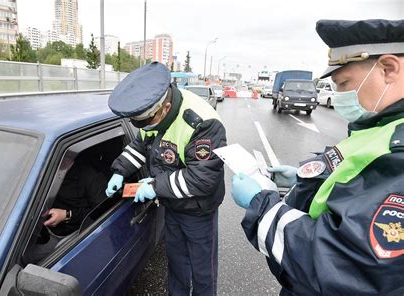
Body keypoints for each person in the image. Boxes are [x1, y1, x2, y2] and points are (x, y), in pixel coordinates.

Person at [230, 19, 404, 295]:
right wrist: (303, 180)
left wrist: (260, 203)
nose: (338, 96)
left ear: (388, 69)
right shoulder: (381, 126)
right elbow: (350, 176)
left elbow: (341, 266)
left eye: (344, 83)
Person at [105, 62, 227, 295]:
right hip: (172, 206)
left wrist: (154, 186)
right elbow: (139, 146)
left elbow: (201, 179)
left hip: (199, 211)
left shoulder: (203, 122)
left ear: (165, 107)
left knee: (203, 273)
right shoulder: (150, 113)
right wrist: (119, 170)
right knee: (177, 264)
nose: (144, 127)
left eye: (146, 122)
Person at [29, 161, 107, 262]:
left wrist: (67, 215)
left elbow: (101, 212)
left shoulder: (90, 176)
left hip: (75, 234)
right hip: (43, 229)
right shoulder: (44, 169)